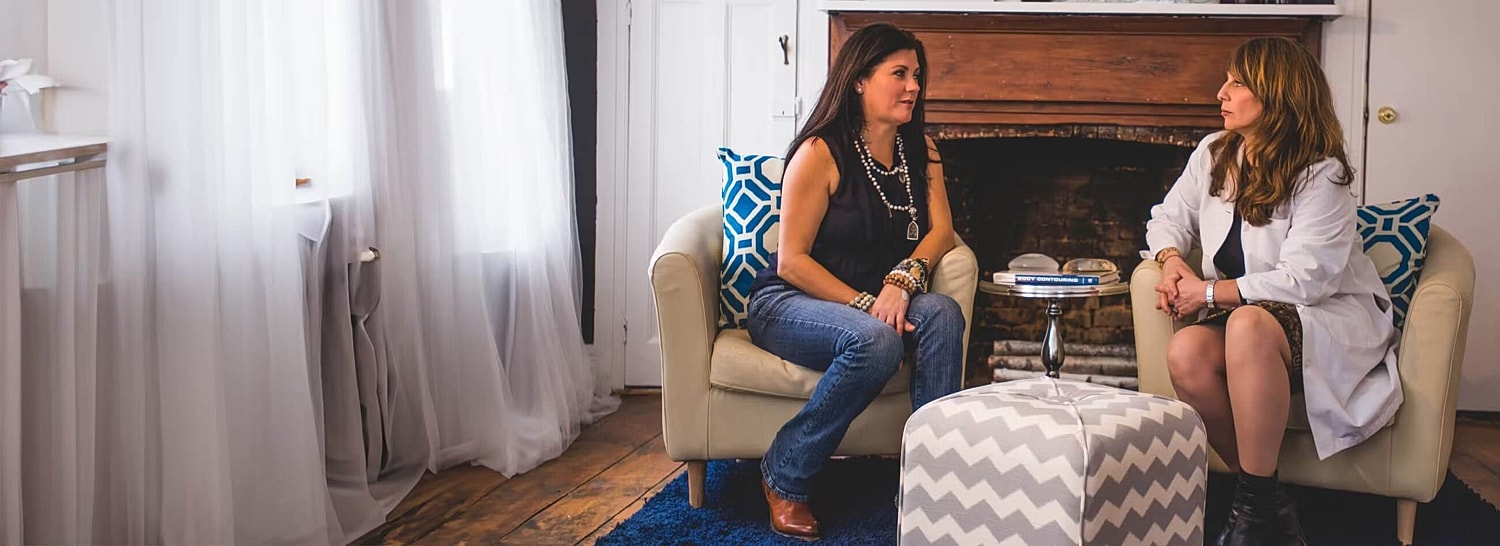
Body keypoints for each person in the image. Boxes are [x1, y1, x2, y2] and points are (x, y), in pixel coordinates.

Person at [1146, 37, 1401, 546]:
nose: (1221, 92)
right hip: (1253, 316)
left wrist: (1208, 293)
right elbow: (1167, 218)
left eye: (1237, 82)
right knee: (1187, 350)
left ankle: (1251, 514)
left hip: (1324, 314)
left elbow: (1308, 279)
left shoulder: (1320, 173)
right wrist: (1171, 260)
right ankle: (1264, 504)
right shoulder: (1214, 152)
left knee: (1246, 322)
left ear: (1276, 94)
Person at [745, 23, 965, 540]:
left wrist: (905, 280)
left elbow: (943, 232)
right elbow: (792, 262)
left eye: (917, 75)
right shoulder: (820, 152)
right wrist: (869, 303)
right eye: (899, 74)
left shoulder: (922, 151)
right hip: (790, 301)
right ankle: (786, 474)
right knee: (875, 339)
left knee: (943, 313)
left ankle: (929, 479)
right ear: (860, 80)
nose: (914, 85)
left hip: (878, 296)